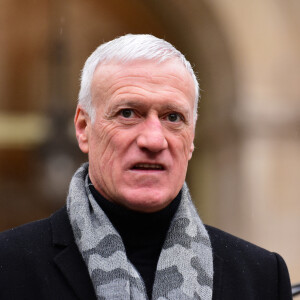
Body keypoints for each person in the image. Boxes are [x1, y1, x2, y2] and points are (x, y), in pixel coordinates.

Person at [0, 34, 292, 300]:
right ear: (83, 128)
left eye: (173, 117)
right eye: (128, 113)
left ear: (191, 138)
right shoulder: (9, 265)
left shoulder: (261, 276)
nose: (154, 140)